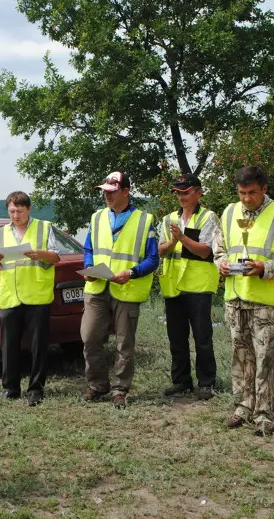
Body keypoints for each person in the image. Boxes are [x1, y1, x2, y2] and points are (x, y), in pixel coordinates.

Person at [213, 166, 274, 437]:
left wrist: (264, 268)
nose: (246, 198)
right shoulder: (228, 212)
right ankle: (242, 407)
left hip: (264, 301)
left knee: (265, 360)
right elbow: (219, 250)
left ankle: (264, 415)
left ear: (264, 189)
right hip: (235, 298)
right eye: (241, 193)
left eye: (252, 193)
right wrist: (221, 264)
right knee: (240, 357)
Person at [81, 171, 159, 408]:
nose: (107, 195)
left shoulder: (145, 220)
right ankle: (97, 384)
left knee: (124, 344)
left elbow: (153, 259)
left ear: (126, 192)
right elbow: (88, 249)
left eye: (112, 191)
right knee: (90, 337)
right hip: (96, 287)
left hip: (127, 289)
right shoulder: (96, 218)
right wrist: (88, 267)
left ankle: (120, 389)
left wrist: (132, 273)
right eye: (104, 191)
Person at [0, 191, 61, 407]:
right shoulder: (1, 233)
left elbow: (56, 256)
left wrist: (39, 253)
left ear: (28, 209)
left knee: (38, 346)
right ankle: (10, 388)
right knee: (9, 345)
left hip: (36, 294)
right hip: (10, 295)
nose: (16, 215)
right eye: (12, 211)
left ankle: (36, 389)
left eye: (19, 211)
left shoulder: (44, 227)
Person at [157, 174, 220, 401]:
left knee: (202, 337)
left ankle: (206, 383)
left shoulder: (208, 217)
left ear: (198, 192)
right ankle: (181, 381)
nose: (181, 197)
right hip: (173, 285)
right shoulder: (168, 219)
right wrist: (172, 242)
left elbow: (205, 251)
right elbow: (160, 251)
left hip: (198, 286)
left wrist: (182, 237)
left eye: (185, 192)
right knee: (177, 337)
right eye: (178, 193)